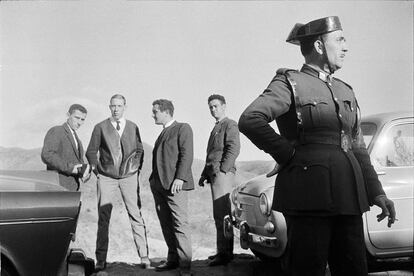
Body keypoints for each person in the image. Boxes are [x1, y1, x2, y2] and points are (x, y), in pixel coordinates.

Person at [238, 16, 396, 276]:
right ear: (320, 46)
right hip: (308, 195)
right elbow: (250, 119)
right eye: (339, 40)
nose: (346, 47)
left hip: (349, 197)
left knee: (354, 269)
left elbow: (357, 147)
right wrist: (287, 154)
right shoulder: (291, 83)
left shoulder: (346, 91)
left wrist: (376, 193)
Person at [85, 94, 150, 271]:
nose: (116, 109)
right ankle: (100, 259)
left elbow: (139, 150)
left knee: (135, 214)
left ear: (125, 107)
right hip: (107, 177)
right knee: (103, 217)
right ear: (109, 107)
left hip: (129, 177)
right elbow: (91, 151)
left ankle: (144, 256)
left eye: (119, 106)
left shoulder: (133, 126)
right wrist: (98, 170)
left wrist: (134, 168)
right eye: (113, 106)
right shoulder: (100, 127)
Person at [150, 99, 193, 276]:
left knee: (180, 224)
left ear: (166, 112)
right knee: (166, 223)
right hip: (159, 186)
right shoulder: (163, 133)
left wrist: (180, 178)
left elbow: (187, 154)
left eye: (155, 112)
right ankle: (173, 259)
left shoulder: (183, 128)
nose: (152, 114)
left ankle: (185, 267)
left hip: (176, 186)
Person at [199, 94, 240, 266]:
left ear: (224, 106)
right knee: (219, 215)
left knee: (224, 215)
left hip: (222, 174)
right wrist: (204, 174)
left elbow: (233, 148)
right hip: (214, 174)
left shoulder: (229, 124)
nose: (213, 109)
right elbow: (212, 155)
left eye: (216, 106)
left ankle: (225, 254)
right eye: (210, 107)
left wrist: (223, 170)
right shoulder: (216, 127)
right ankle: (222, 251)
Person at [41, 104, 90, 191]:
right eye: (77, 118)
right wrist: (71, 169)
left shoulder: (78, 140)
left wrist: (84, 172)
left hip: (73, 188)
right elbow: (47, 155)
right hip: (58, 186)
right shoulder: (57, 131)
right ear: (68, 115)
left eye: (82, 119)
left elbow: (76, 164)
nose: (79, 122)